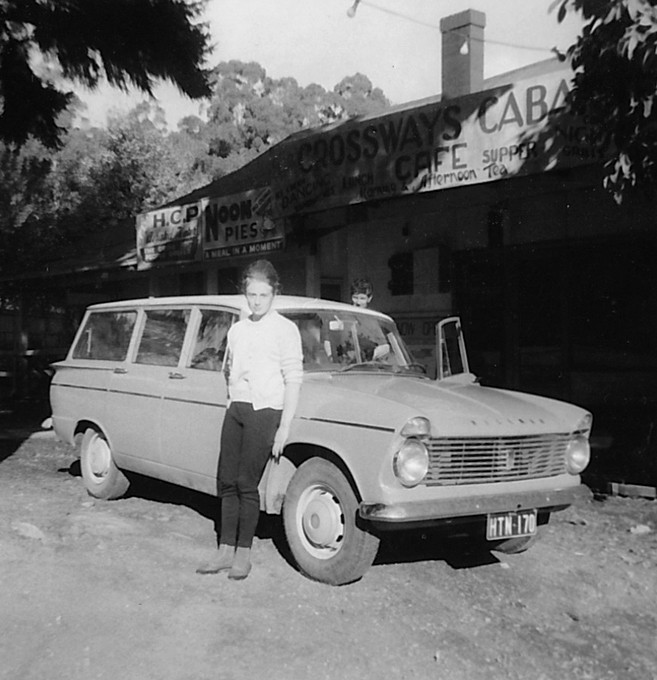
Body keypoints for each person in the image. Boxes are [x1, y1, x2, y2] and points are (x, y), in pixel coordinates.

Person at [197, 259, 303, 580]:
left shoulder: (285, 329)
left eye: (263, 295)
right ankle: (224, 551)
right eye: (251, 295)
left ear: (274, 294)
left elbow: (293, 378)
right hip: (237, 409)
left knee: (246, 483)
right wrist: (230, 401)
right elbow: (229, 370)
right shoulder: (237, 330)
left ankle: (243, 554)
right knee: (226, 481)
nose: (256, 301)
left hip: (265, 411)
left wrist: (284, 427)